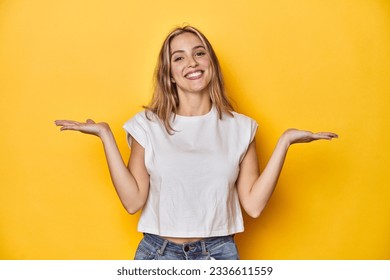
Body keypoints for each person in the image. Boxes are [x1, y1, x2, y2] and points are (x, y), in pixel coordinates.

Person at [55, 25, 338, 260]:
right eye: (178, 58)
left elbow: (253, 205)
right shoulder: (147, 125)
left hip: (218, 254)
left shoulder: (241, 128)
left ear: (210, 63)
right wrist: (105, 135)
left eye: (199, 53)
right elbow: (132, 202)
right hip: (158, 255)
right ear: (169, 74)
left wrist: (285, 142)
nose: (191, 62)